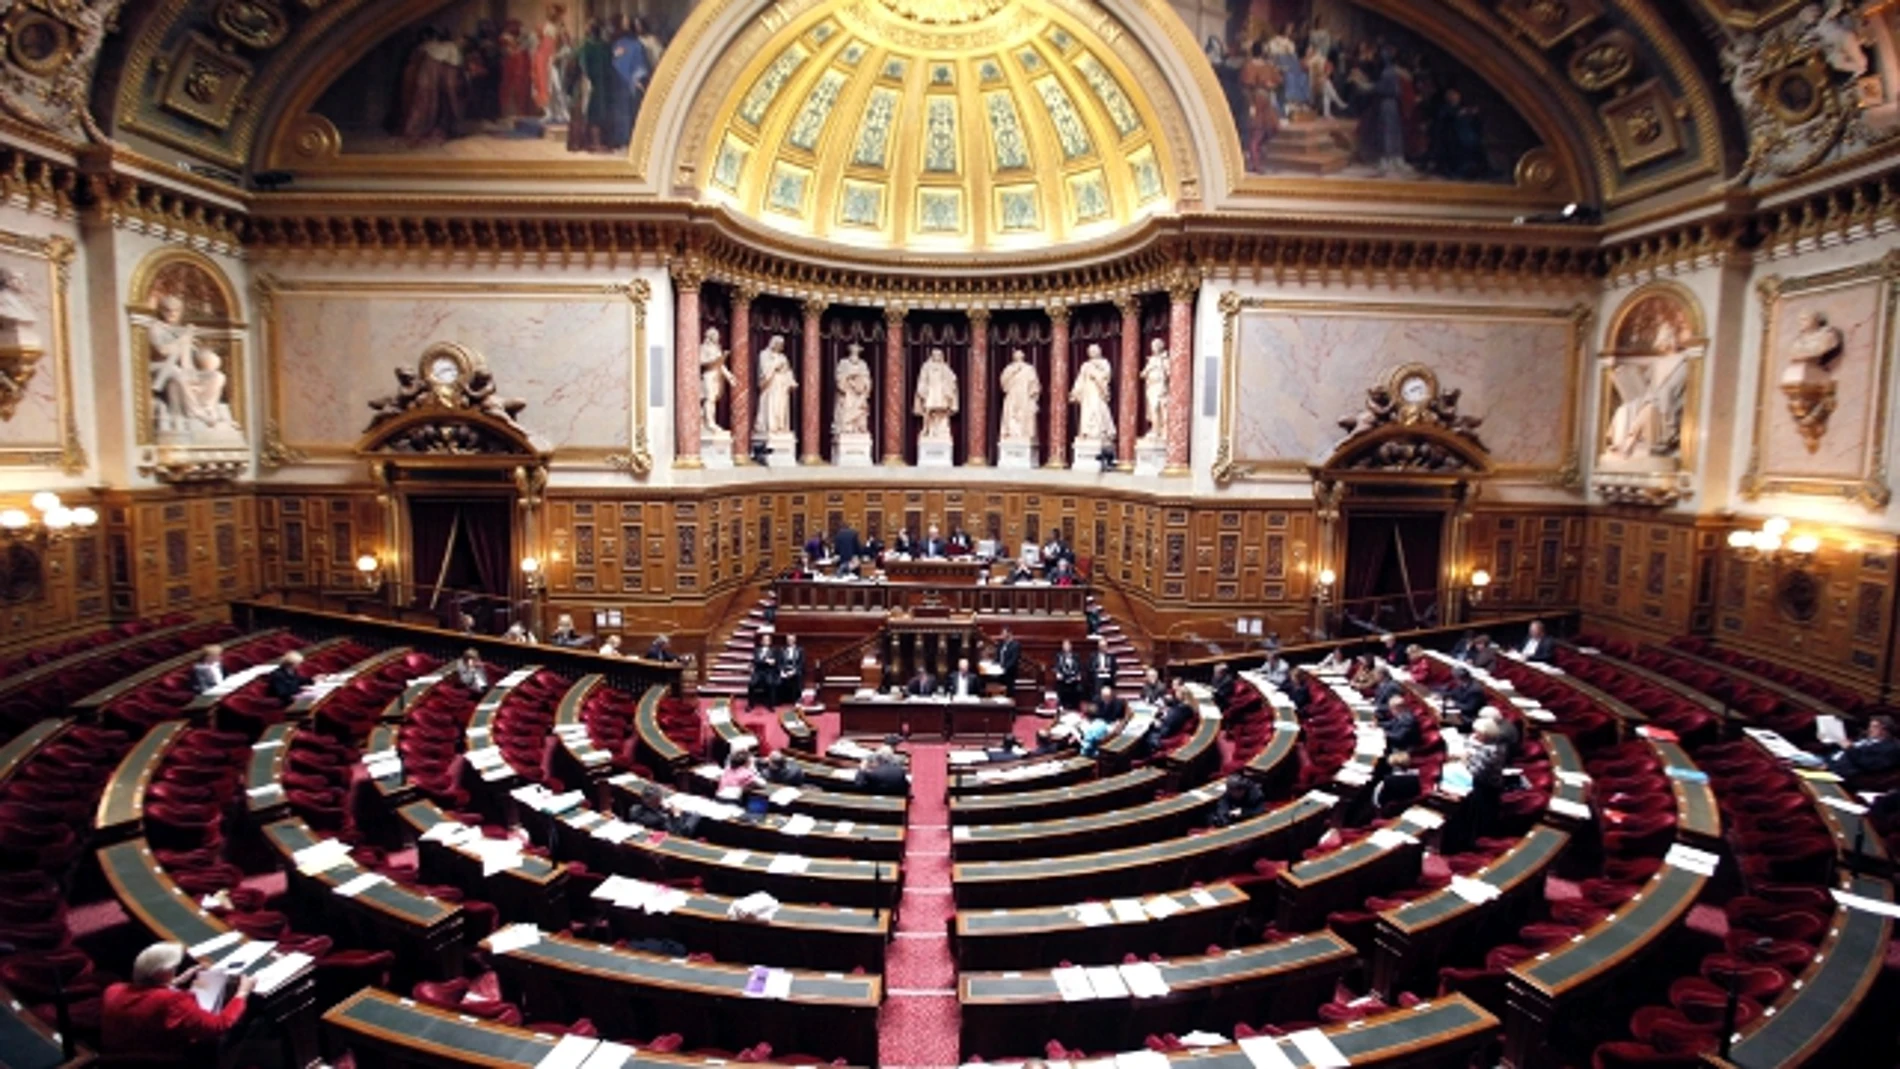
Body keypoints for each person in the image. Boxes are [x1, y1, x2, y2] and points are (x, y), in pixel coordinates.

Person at [102, 941, 255, 1058]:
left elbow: (146, 995)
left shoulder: (113, 989)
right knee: (252, 1024)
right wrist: (242, 992)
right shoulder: (172, 1000)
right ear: (162, 973)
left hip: (121, 1053)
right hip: (164, 1057)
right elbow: (219, 1025)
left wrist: (177, 981)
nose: (176, 969)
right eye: (173, 968)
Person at [1826, 715, 1900, 780]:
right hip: (1828, 761)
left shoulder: (1889, 748)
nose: (1870, 730)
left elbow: (1866, 763)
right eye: (1870, 726)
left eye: (1874, 727)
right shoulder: (1867, 738)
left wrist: (1849, 748)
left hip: (1841, 773)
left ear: (1885, 730)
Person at [748, 637, 778, 707]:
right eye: (764, 640)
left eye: (767, 640)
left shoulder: (774, 650)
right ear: (761, 641)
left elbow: (775, 662)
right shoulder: (757, 650)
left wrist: (768, 662)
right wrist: (766, 661)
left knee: (770, 683)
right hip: (758, 671)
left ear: (770, 642)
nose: (766, 641)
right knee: (751, 684)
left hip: (768, 671)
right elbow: (755, 660)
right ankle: (750, 704)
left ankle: (771, 705)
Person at [1053, 640, 1083, 710]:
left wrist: (1078, 675)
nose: (1066, 647)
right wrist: (1058, 673)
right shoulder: (1059, 656)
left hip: (1073, 678)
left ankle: (1074, 705)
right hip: (1063, 678)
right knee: (1060, 685)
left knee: (1078, 687)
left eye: (1068, 645)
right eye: (1064, 646)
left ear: (1070, 646)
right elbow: (1056, 667)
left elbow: (1079, 667)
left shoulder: (1076, 656)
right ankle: (1062, 704)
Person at [777, 634, 806, 706]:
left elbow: (801, 663)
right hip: (785, 669)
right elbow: (779, 662)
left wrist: (794, 671)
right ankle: (781, 699)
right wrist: (781, 671)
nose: (790, 641)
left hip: (795, 669)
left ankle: (797, 699)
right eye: (788, 639)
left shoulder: (800, 650)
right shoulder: (782, 649)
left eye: (791, 639)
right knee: (778, 677)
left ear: (795, 640)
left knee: (798, 675)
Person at [993, 628, 1022, 695]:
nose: (1001, 635)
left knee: (1009, 691)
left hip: (1010, 673)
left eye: (1003, 633)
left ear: (1009, 633)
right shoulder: (1001, 644)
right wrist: (994, 665)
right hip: (1000, 672)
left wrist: (1004, 668)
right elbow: (998, 657)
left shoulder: (1015, 645)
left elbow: (1014, 660)